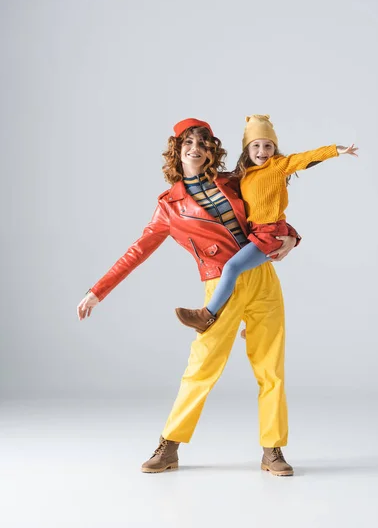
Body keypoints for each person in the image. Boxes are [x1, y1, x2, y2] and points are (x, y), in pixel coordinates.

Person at [77, 118, 301, 476]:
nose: (195, 149)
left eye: (202, 143)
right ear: (177, 152)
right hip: (221, 286)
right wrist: (97, 291)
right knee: (201, 369)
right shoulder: (169, 207)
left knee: (271, 369)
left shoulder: (233, 181)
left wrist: (292, 236)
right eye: (188, 144)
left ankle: (272, 450)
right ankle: (169, 446)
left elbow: (268, 211)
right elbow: (137, 251)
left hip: (263, 278)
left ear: (211, 150)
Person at [176, 114, 358, 335]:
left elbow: (304, 158)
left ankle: (206, 316)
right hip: (256, 234)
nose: (263, 151)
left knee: (232, 268)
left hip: (270, 233)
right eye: (256, 146)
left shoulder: (277, 166)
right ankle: (252, 325)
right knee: (244, 276)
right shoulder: (243, 175)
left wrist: (335, 150)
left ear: (275, 149)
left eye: (268, 146)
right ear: (247, 150)